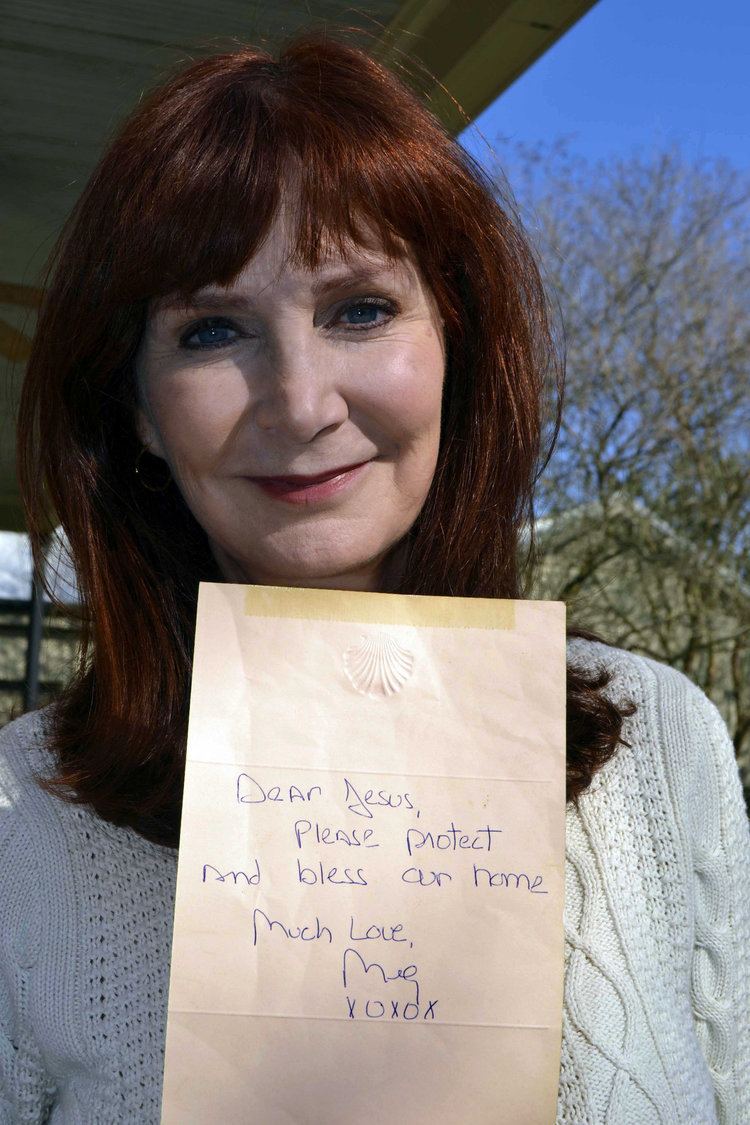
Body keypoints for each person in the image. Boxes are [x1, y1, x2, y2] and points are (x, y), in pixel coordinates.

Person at [1, 32, 748, 1125]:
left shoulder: (664, 745)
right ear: (139, 416)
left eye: (359, 309)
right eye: (213, 330)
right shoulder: (21, 810)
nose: (300, 402)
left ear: (458, 345)